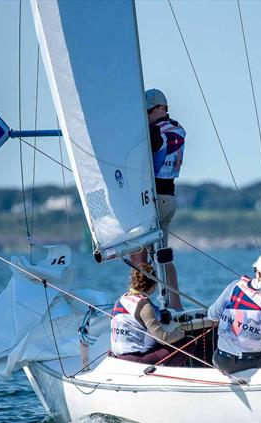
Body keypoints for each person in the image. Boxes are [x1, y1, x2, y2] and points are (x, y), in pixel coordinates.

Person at [131, 88, 186, 309]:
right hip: (169, 198)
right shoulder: (178, 129)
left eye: (148, 111)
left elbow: (149, 145)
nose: (145, 116)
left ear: (161, 108)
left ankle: (136, 302)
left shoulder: (154, 131)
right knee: (163, 255)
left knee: (138, 251)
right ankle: (175, 305)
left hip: (152, 200)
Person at [110, 263, 189, 366]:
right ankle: (162, 373)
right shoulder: (144, 305)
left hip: (118, 356)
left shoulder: (121, 300)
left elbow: (135, 319)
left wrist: (160, 314)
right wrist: (183, 333)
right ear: (151, 285)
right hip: (137, 359)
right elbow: (163, 339)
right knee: (188, 342)